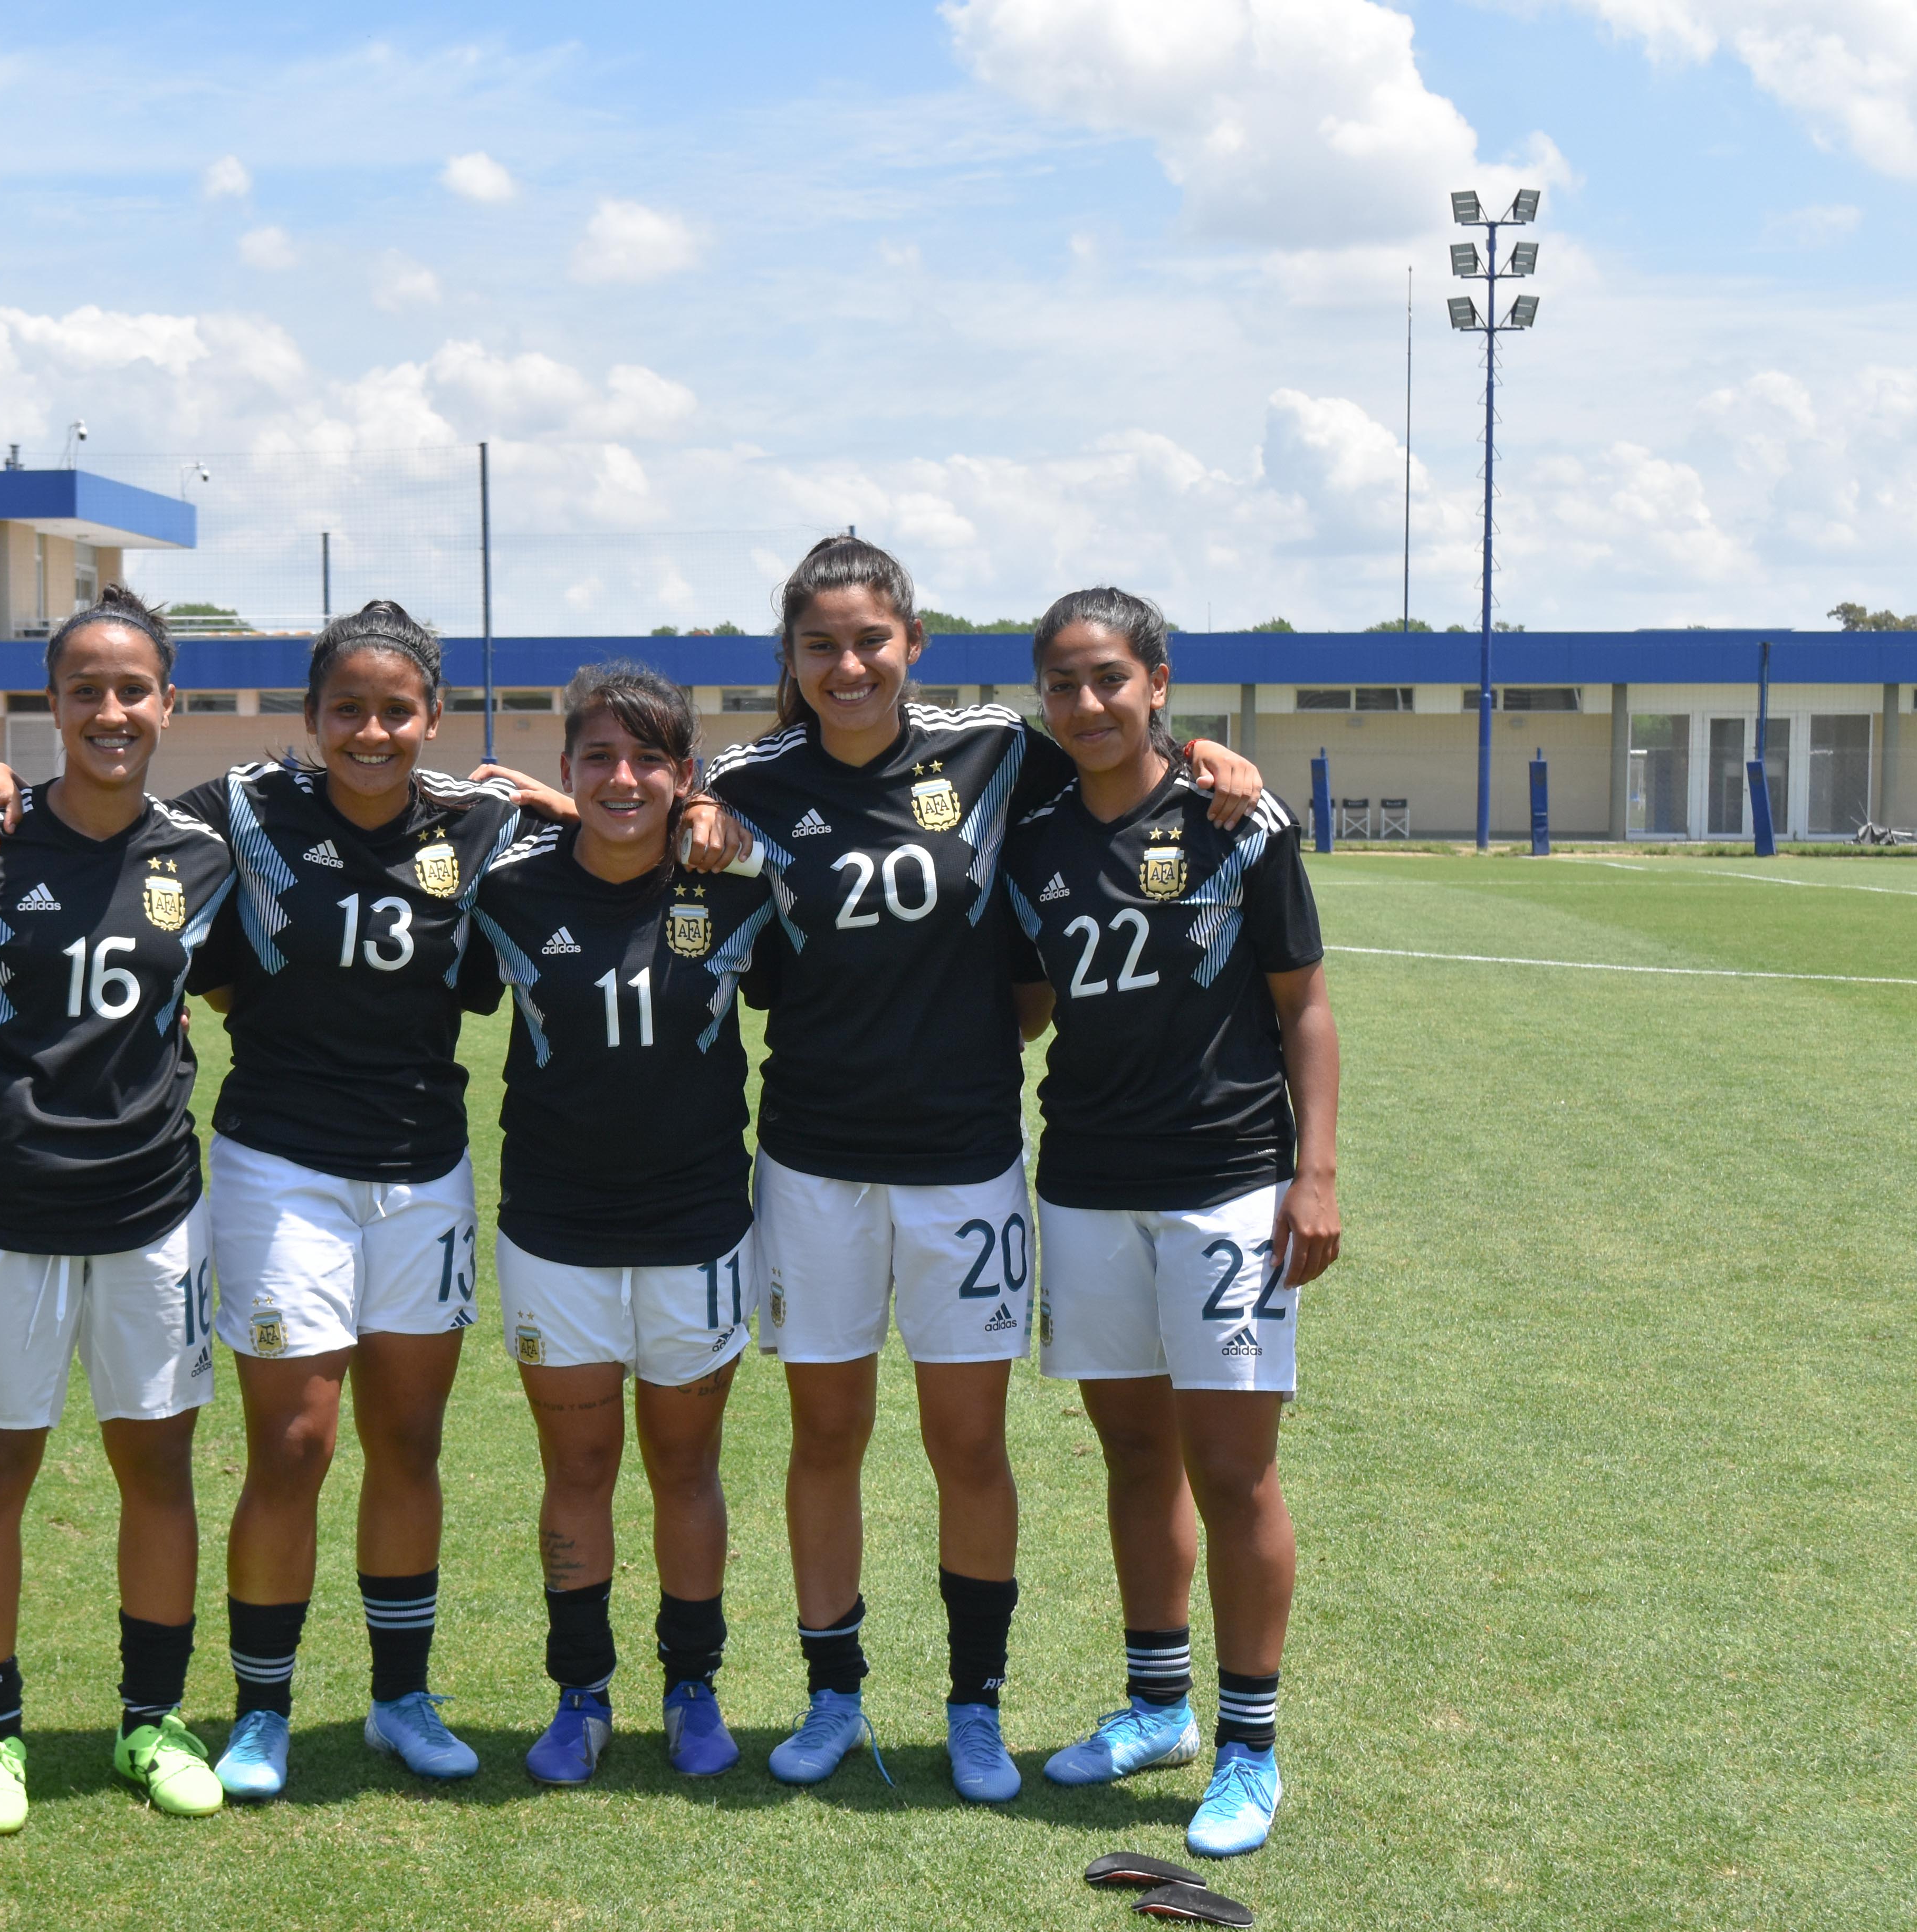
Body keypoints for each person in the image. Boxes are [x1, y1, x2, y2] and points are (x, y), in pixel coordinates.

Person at [666, 535, 1267, 1802]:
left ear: (913, 643)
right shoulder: (751, 780)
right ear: (792, 657)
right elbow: (656, 814)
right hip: (814, 1164)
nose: (848, 665)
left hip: (967, 1162)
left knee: (968, 1442)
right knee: (825, 1433)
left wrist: (1215, 750)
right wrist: (676, 810)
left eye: (870, 639)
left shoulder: (994, 746)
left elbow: (1130, 752)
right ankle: (835, 1695)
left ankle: (975, 1705)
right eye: (821, 645)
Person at [0, 599, 523, 1799]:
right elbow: (83, 834)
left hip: (424, 1165)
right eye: (345, 709)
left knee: (408, 1439)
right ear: (307, 720)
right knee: (295, 1439)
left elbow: (619, 828)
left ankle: (401, 1697)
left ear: (431, 720)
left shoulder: (481, 826)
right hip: (276, 1162)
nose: (370, 730)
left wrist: (629, 800)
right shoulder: (236, 814)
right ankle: (259, 1708)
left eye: (395, 710)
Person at [1001, 586, 1336, 1860]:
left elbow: (1304, 1006)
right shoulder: (1030, 838)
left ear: (1157, 679)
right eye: (1064, 683)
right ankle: (1158, 1705)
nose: (1087, 703)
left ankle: (1250, 1746)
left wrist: (1317, 1175)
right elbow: (1028, 1007)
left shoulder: (1238, 819)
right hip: (1085, 1178)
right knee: (1132, 1452)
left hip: (1228, 1180)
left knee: (1234, 1465)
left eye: (1109, 679)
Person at [0, 585, 241, 1835]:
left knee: (156, 1460)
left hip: (155, 1204)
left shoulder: (202, 852)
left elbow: (223, 991)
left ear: (170, 703)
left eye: (132, 689)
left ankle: (150, 1720)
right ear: (50, 704)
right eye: (84, 689)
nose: (111, 710)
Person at [463, 662, 774, 1783]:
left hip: (699, 1227)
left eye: (649, 759)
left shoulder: (740, 892)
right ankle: (581, 1691)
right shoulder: (509, 892)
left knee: (687, 1470)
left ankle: (694, 1684)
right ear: (567, 771)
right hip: (554, 1232)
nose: (623, 777)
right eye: (599, 757)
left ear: (687, 775)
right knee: (578, 1467)